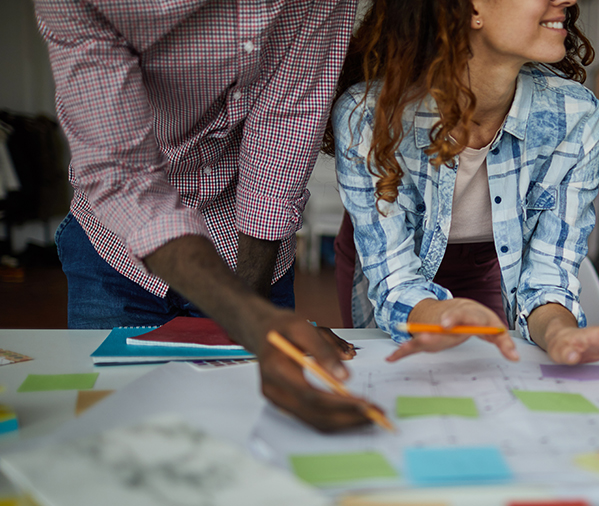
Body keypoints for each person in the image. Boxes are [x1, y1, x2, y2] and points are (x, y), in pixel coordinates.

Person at [34, 0, 373, 432]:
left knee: (248, 435)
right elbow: (122, 176)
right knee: (115, 438)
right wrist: (250, 321)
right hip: (115, 249)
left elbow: (284, 131)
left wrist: (251, 322)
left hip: (250, 249)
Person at [325, 0, 599, 365]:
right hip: (391, 263)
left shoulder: (575, 117)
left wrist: (563, 336)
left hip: (490, 260)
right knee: (405, 377)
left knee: (491, 377)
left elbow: (548, 276)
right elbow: (395, 282)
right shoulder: (367, 117)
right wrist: (441, 318)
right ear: (471, 8)